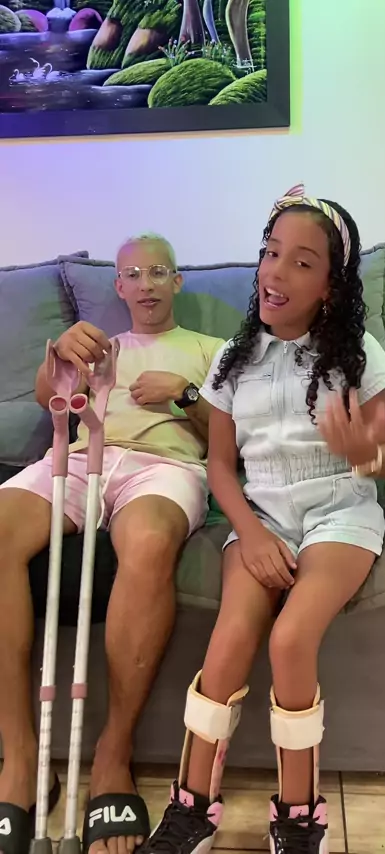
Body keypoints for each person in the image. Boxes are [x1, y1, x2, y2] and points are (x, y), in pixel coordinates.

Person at [140, 186, 385, 854]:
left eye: (302, 262)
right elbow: (220, 466)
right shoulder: (235, 357)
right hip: (261, 515)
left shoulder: (357, 352)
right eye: (270, 252)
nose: (276, 272)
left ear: (331, 287)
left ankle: (299, 814)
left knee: (289, 640)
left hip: (339, 511)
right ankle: (192, 808)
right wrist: (252, 534)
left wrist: (362, 451)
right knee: (228, 642)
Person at [0, 233, 224, 854]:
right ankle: (19, 759)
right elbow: (49, 399)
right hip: (80, 458)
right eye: (133, 275)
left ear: (177, 281)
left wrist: (185, 394)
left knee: (149, 543)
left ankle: (112, 756)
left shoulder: (210, 349)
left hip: (164, 466)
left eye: (158, 272)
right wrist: (57, 361)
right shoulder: (99, 346)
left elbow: (230, 435)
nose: (146, 284)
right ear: (119, 287)